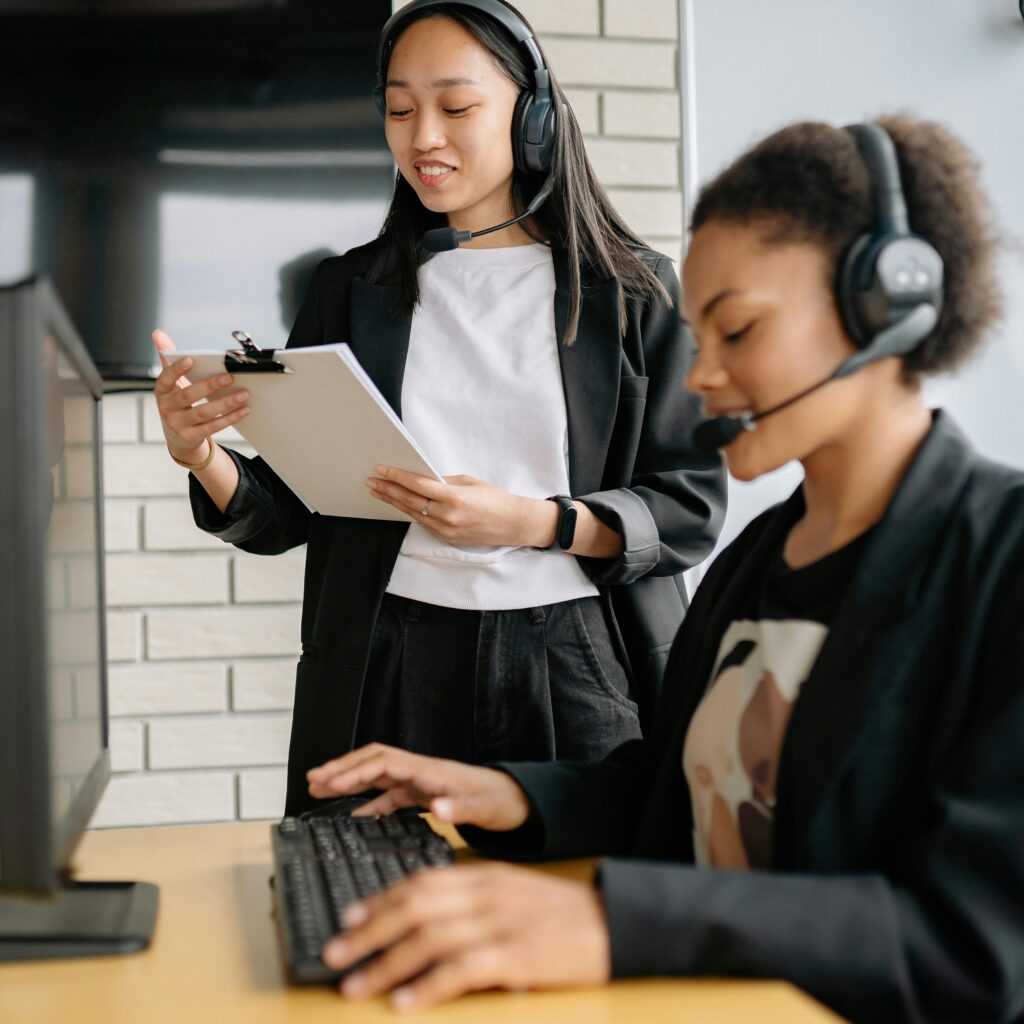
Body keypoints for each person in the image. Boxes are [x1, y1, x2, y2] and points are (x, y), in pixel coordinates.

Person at [301, 114, 1024, 1024]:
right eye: (699, 337)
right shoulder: (757, 565)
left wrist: (618, 923)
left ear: (883, 305)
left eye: (739, 331)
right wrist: (507, 792)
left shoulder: (1001, 566)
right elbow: (672, 788)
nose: (700, 378)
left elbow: (980, 942)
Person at [149, 0, 726, 815]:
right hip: (389, 657)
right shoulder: (348, 291)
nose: (423, 137)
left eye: (456, 107)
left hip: (574, 660)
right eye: (398, 108)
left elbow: (688, 506)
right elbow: (286, 511)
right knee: (363, 900)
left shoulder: (632, 293)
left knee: (579, 909)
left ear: (533, 118)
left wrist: (532, 522)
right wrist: (201, 455)